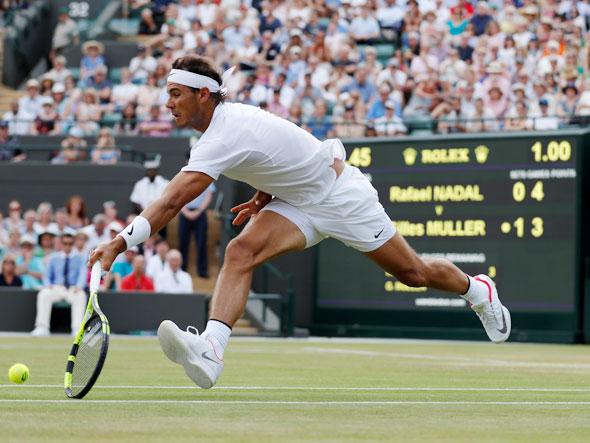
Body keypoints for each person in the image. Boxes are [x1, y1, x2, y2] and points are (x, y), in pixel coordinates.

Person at [89, 55, 511, 390]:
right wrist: (264, 192)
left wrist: (117, 244)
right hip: (296, 199)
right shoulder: (223, 129)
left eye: (176, 94)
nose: (168, 103)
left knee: (413, 273)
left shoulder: (223, 133)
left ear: (203, 95)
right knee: (240, 251)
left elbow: (168, 204)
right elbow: (281, 155)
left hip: (341, 195)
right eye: (168, 94)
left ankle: (477, 289)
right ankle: (211, 352)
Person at [31, 228, 87, 336]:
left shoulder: (80, 258)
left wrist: (79, 286)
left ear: (73, 243)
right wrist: (48, 285)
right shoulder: (53, 258)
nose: (67, 246)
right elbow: (46, 275)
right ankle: (42, 327)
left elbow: (82, 274)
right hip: (57, 288)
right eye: (65, 243)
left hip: (72, 289)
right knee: (44, 294)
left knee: (81, 295)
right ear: (61, 243)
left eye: (70, 243)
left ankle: (77, 329)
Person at [179, 151, 214, 278]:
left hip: (200, 214)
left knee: (201, 242)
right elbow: (178, 196)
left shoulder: (205, 174)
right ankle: (181, 270)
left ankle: (202, 271)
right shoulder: (181, 176)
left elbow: (209, 195)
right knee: (183, 242)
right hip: (185, 212)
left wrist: (199, 211)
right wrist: (186, 212)